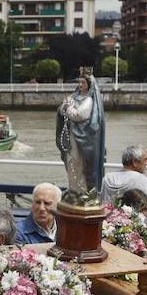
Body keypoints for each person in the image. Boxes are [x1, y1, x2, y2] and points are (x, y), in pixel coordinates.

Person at [57, 73, 106, 204]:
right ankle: (74, 190)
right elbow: (63, 109)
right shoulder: (74, 97)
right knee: (71, 162)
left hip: (84, 141)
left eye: (83, 83)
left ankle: (82, 191)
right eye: (79, 82)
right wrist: (65, 108)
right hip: (72, 137)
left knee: (81, 165)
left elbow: (79, 115)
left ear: (89, 86)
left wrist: (68, 108)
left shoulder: (89, 101)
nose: (80, 85)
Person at [102, 144, 147, 211]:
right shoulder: (140, 179)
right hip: (134, 219)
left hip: (108, 219)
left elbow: (102, 203)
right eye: (145, 160)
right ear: (135, 162)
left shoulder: (107, 178)